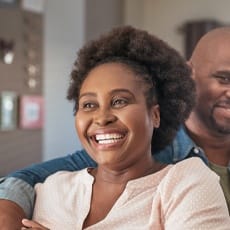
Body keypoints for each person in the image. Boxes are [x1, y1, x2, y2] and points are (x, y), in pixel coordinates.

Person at [0, 26, 230, 228]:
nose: (102, 117)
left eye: (120, 101)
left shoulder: (187, 180)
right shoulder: (53, 188)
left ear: (155, 114)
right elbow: (24, 179)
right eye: (88, 104)